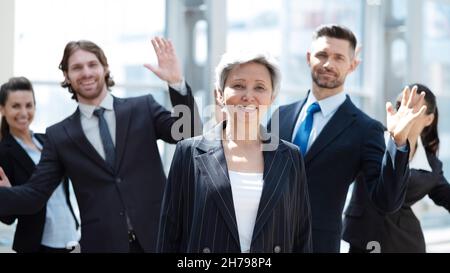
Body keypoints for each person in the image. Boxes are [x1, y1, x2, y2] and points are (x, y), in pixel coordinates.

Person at [0, 37, 201, 253]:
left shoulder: (143, 108)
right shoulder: (59, 136)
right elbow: (35, 195)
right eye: (77, 67)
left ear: (105, 68)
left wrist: (176, 83)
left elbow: (188, 134)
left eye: (92, 64)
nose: (86, 73)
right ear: (67, 76)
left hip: (160, 241)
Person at [268, 24, 427, 252]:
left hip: (319, 245)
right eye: (321, 55)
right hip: (266, 243)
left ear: (353, 65)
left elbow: (387, 201)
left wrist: (398, 142)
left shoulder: (365, 129)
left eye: (338, 57)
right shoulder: (279, 116)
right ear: (308, 57)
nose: (328, 64)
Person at [157, 51, 312, 253]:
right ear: (219, 95)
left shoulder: (290, 157)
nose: (248, 96)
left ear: (272, 96)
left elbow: (301, 235)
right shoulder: (189, 153)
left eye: (260, 87)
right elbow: (170, 233)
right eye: (238, 85)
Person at [343, 84, 450, 253]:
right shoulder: (373, 137)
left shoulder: (432, 165)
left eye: (412, 107)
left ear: (429, 119)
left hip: (406, 243)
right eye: (400, 105)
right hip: (364, 240)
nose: (404, 112)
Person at [0, 77, 80, 253]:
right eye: (16, 106)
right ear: (2, 109)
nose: (23, 112)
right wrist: (7, 192)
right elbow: (7, 218)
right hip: (38, 244)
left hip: (72, 238)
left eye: (29, 105)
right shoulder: (3, 153)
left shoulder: (48, 140)